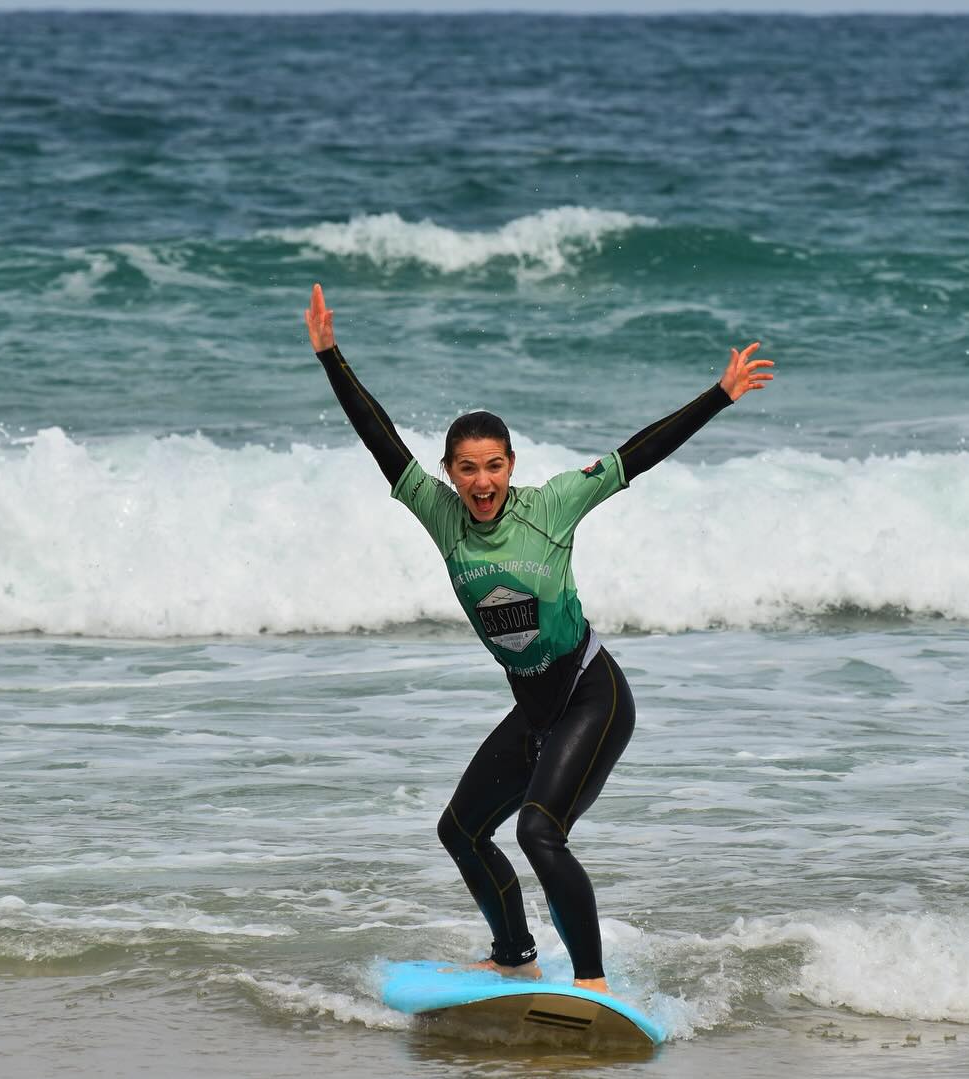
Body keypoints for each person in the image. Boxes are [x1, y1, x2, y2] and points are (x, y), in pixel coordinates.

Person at [305, 282, 773, 995]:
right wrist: (331, 355)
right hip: (534, 711)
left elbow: (636, 455)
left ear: (512, 466)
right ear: (450, 473)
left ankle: (592, 984)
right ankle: (514, 954)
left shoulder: (552, 503)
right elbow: (381, 439)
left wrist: (720, 394)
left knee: (537, 831)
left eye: (494, 465)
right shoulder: (440, 515)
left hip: (592, 694)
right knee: (459, 831)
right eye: (467, 467)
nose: (482, 480)